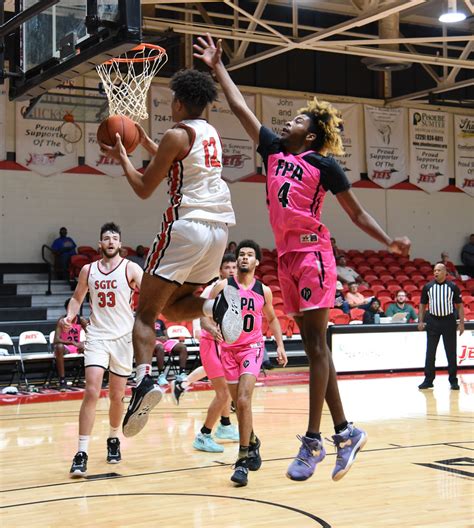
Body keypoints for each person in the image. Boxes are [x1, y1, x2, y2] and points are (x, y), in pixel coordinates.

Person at [194, 33, 411, 482]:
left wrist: (388, 240)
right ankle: (346, 432)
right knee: (317, 351)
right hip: (287, 259)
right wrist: (218, 67)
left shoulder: (324, 165)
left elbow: (357, 211)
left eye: (295, 119)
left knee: (316, 348)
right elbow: (240, 109)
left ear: (309, 134)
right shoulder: (273, 150)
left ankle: (314, 440)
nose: (285, 122)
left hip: (313, 253)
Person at [100, 68, 243, 438]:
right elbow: (183, 163)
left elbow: (146, 188)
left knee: (145, 313)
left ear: (178, 102)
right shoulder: (210, 134)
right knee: (175, 307)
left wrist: (123, 158)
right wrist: (149, 145)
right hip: (219, 232)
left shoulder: (176, 134)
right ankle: (217, 306)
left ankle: (144, 381)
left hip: (187, 227)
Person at [63, 223, 143, 477]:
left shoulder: (130, 268)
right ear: (100, 244)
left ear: (120, 244)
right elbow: (77, 297)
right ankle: (81, 452)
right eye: (106, 238)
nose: (110, 242)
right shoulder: (88, 270)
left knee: (117, 396)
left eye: (115, 238)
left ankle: (112, 438)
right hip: (97, 336)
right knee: (91, 390)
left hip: (123, 338)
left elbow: (150, 292)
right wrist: (70, 315)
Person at [206, 240, 287, 486]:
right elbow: (203, 315)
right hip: (227, 351)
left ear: (256, 262)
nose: (244, 258)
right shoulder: (222, 286)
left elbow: (272, 319)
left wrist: (280, 345)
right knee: (238, 408)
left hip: (252, 349)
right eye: (241, 254)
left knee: (243, 400)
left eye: (249, 255)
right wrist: (211, 328)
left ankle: (241, 461)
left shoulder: (264, 290)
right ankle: (252, 442)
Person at [172, 253, 240, 453]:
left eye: (233, 267)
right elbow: (202, 317)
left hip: (225, 344)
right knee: (224, 391)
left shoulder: (236, 290)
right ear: (220, 271)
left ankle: (225, 426)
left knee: (227, 388)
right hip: (210, 342)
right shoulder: (214, 288)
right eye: (227, 268)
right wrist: (212, 330)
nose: (231, 271)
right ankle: (204, 435)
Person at [418, 263, 464, 391]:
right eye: (434, 270)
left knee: (451, 352)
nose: (436, 272)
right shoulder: (428, 287)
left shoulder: (453, 287)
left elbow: (460, 305)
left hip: (448, 321)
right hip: (432, 321)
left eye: (438, 270)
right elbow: (422, 305)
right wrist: (420, 320)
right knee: (430, 352)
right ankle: (428, 380)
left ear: (445, 272)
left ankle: (453, 380)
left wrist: (461, 323)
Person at [53, 298, 88, 391]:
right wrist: (72, 342)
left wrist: (84, 343)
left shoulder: (82, 320)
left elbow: (92, 336)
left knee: (91, 347)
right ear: (67, 309)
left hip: (77, 347)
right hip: (66, 347)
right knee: (58, 347)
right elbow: (56, 339)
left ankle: (94, 377)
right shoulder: (61, 320)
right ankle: (62, 380)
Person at [154, 318, 188, 387]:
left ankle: (182, 373)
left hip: (164, 341)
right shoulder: (146, 320)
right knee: (160, 348)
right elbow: (145, 336)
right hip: (153, 341)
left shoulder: (160, 321)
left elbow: (167, 336)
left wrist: (165, 338)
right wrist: (157, 338)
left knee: (182, 347)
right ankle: (161, 376)